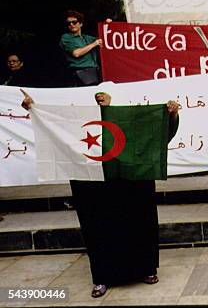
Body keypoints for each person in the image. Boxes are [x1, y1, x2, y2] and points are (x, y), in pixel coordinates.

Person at [21, 90, 180, 298]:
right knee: (99, 230)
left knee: (138, 224)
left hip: (130, 186)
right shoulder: (78, 128)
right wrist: (34, 108)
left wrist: (172, 115)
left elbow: (158, 135)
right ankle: (102, 277)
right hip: (95, 190)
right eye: (97, 96)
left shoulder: (132, 123)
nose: (100, 98)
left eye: (104, 96)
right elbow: (52, 128)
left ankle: (145, 269)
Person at [59, 10, 102, 86]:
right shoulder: (66, 37)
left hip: (94, 72)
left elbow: (104, 38)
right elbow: (76, 53)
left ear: (81, 23)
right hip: (79, 73)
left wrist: (108, 24)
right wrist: (94, 44)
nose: (71, 24)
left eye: (74, 22)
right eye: (69, 23)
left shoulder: (87, 38)